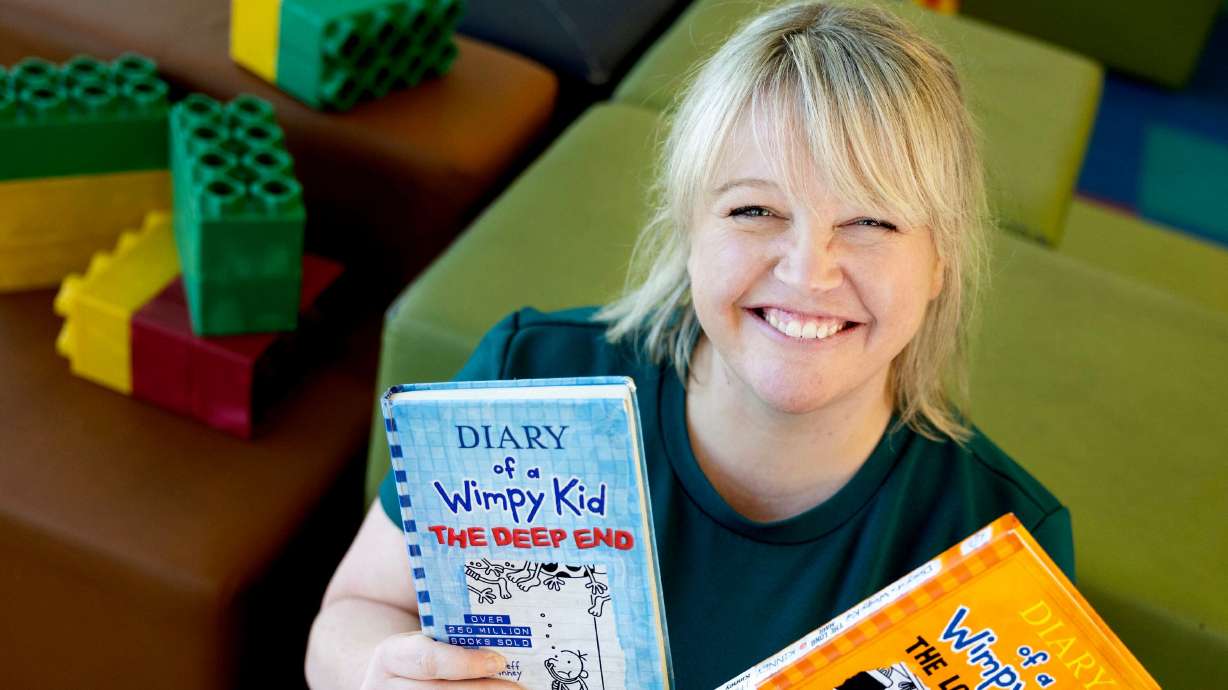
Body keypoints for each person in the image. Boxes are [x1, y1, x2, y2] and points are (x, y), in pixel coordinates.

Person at [304, 2, 1075, 688]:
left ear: (941, 259)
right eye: (754, 211)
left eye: (872, 222)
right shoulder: (533, 375)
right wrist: (377, 669)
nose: (808, 271)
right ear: (690, 224)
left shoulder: (1002, 544)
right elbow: (355, 611)